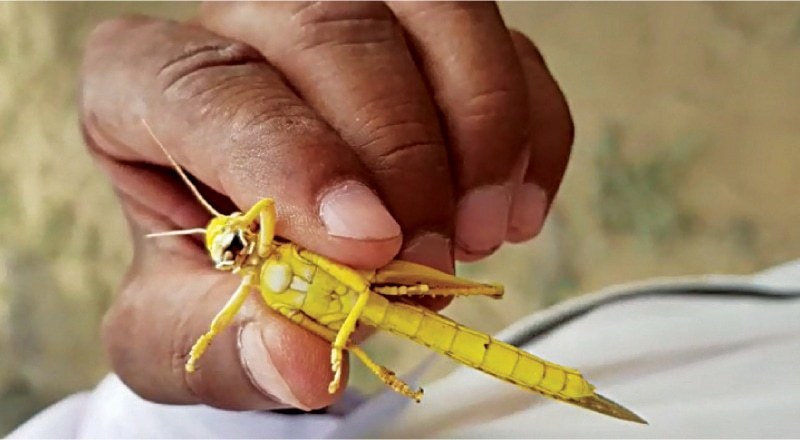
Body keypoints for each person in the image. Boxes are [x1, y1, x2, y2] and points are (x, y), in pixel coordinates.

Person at [11, 2, 800, 438]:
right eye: (222, 247)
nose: (231, 241)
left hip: (409, 307)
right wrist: (226, 382)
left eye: (232, 236)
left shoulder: (269, 242)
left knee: (433, 289)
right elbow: (243, 342)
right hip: (408, 357)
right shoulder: (245, 297)